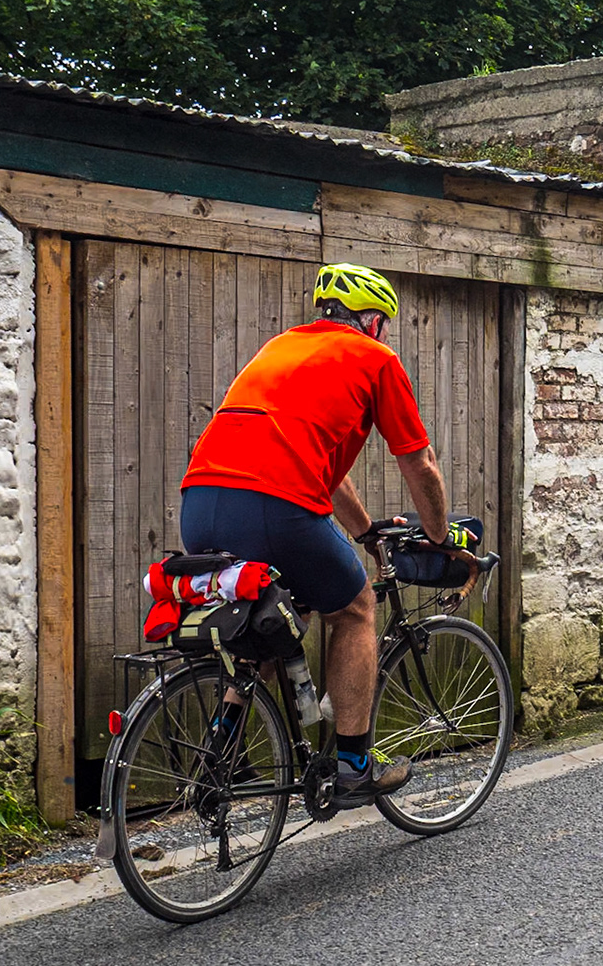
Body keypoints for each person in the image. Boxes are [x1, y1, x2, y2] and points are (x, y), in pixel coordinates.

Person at [177, 263, 475, 808]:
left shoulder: (280, 347)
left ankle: (222, 747)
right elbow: (420, 464)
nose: (383, 331)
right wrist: (439, 534)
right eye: (383, 321)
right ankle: (355, 764)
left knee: (274, 618)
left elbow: (324, 476)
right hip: (274, 507)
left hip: (199, 504)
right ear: (372, 320)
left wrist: (363, 533)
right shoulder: (375, 358)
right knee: (357, 608)